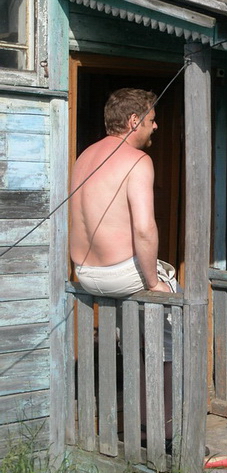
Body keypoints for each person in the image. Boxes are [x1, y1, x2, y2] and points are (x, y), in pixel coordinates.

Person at [69, 87, 176, 440]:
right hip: (120, 274)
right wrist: (153, 283)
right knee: (172, 315)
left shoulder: (84, 156)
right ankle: (161, 428)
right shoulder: (137, 160)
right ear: (134, 120)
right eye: (151, 119)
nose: (155, 126)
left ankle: (133, 413)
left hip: (86, 274)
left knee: (138, 329)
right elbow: (144, 228)